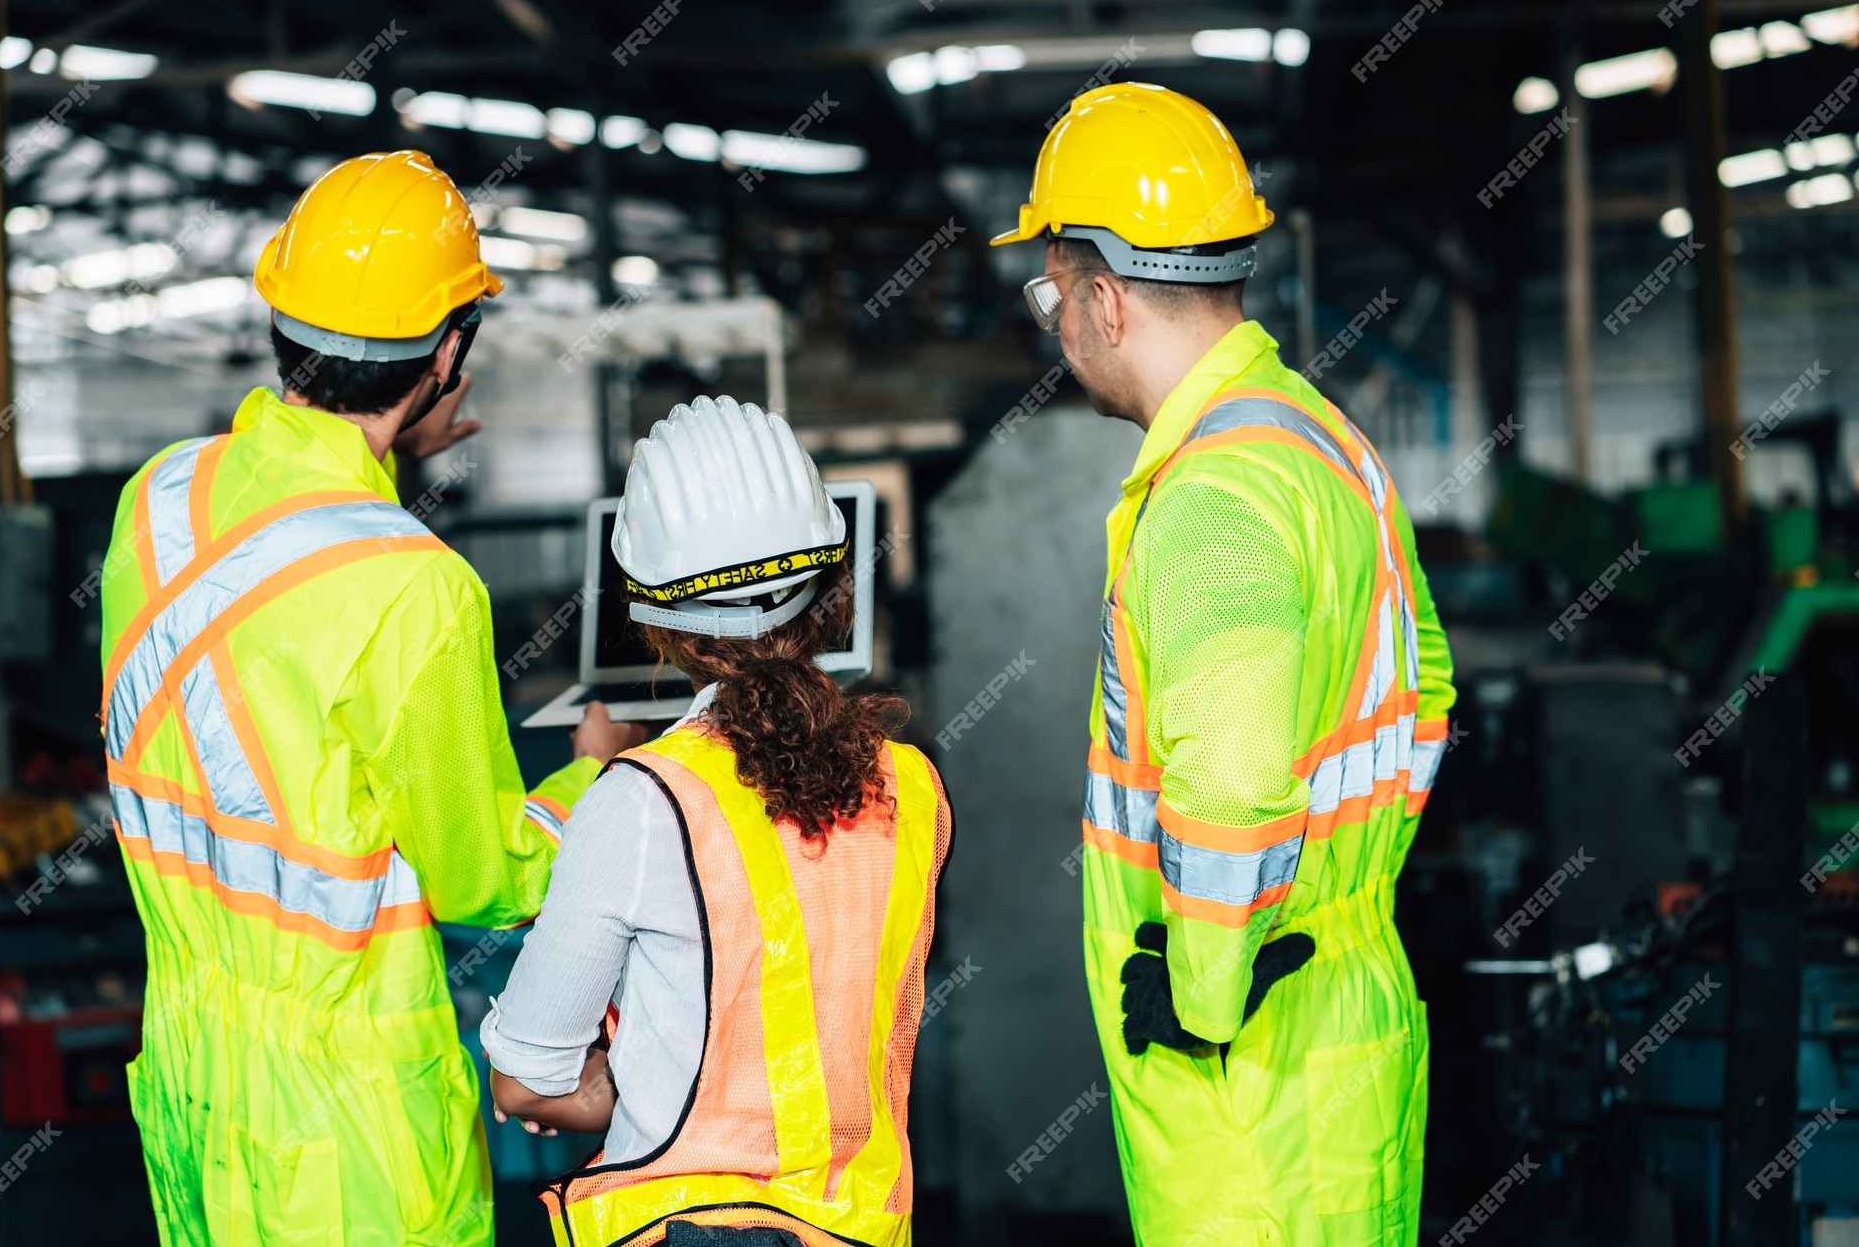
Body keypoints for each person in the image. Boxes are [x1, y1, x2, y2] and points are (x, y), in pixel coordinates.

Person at [98, 149, 645, 1244]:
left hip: (193, 1088)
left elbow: (282, 580)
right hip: (348, 1127)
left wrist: (383, 452)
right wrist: (595, 772)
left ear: (282, 321)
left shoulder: (159, 494)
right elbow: (485, 879)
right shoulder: (417, 585)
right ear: (449, 353)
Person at [989, 83, 1456, 1244]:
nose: (1054, 323)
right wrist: (1336, 893)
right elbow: (1428, 686)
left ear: (1101, 295)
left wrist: (1200, 994)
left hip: (1246, 1071)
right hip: (1335, 1003)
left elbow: (1236, 778)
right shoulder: (1315, 436)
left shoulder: (1211, 496)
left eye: (1050, 293)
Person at [480, 395, 952, 1247]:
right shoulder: (913, 787)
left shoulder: (638, 800)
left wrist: (622, 1084)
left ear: (654, 618)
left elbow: (522, 1080)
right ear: (833, 593)